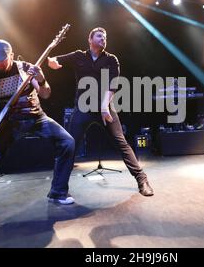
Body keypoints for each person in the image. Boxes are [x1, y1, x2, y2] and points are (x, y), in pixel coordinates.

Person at [0, 39, 75, 215]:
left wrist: (41, 79)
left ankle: (57, 193)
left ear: (10, 55)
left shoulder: (26, 69)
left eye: (0, 59)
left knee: (67, 142)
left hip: (36, 117)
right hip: (9, 123)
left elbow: (46, 94)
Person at [47, 27, 154, 196]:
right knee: (69, 145)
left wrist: (104, 107)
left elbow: (113, 85)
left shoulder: (111, 60)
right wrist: (52, 62)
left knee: (121, 143)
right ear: (90, 40)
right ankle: (58, 189)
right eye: (99, 36)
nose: (103, 39)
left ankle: (142, 180)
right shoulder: (78, 56)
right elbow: (53, 59)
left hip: (105, 107)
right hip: (83, 108)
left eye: (105, 37)